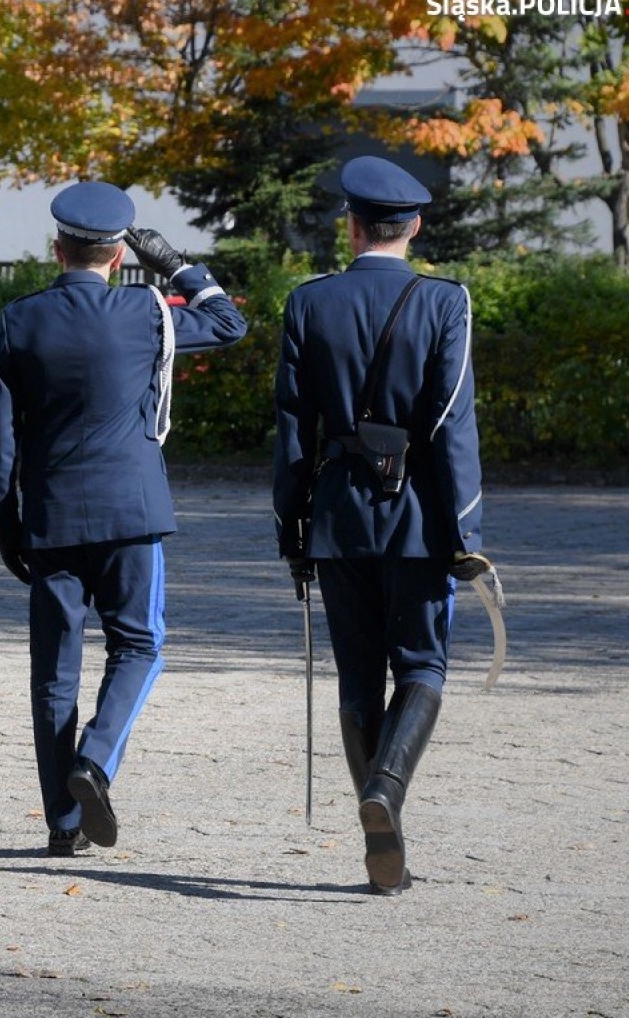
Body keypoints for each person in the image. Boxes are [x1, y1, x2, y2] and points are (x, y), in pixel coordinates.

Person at [0, 181, 247, 857]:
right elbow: (227, 321)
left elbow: (0, 441)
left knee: (53, 674)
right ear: (119, 254)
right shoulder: (145, 311)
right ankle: (95, 761)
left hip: (51, 515)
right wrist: (176, 264)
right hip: (131, 512)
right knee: (139, 646)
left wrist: (2, 518)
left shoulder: (20, 321)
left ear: (57, 247)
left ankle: (62, 824)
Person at [272, 155, 486, 895]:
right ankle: (386, 791)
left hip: (335, 517)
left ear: (352, 226)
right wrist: (467, 532)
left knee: (358, 679)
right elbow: (453, 425)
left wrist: (289, 526)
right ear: (415, 226)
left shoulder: (308, 303)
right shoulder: (445, 301)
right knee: (423, 666)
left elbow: (293, 434)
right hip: (421, 519)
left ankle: (379, 834)